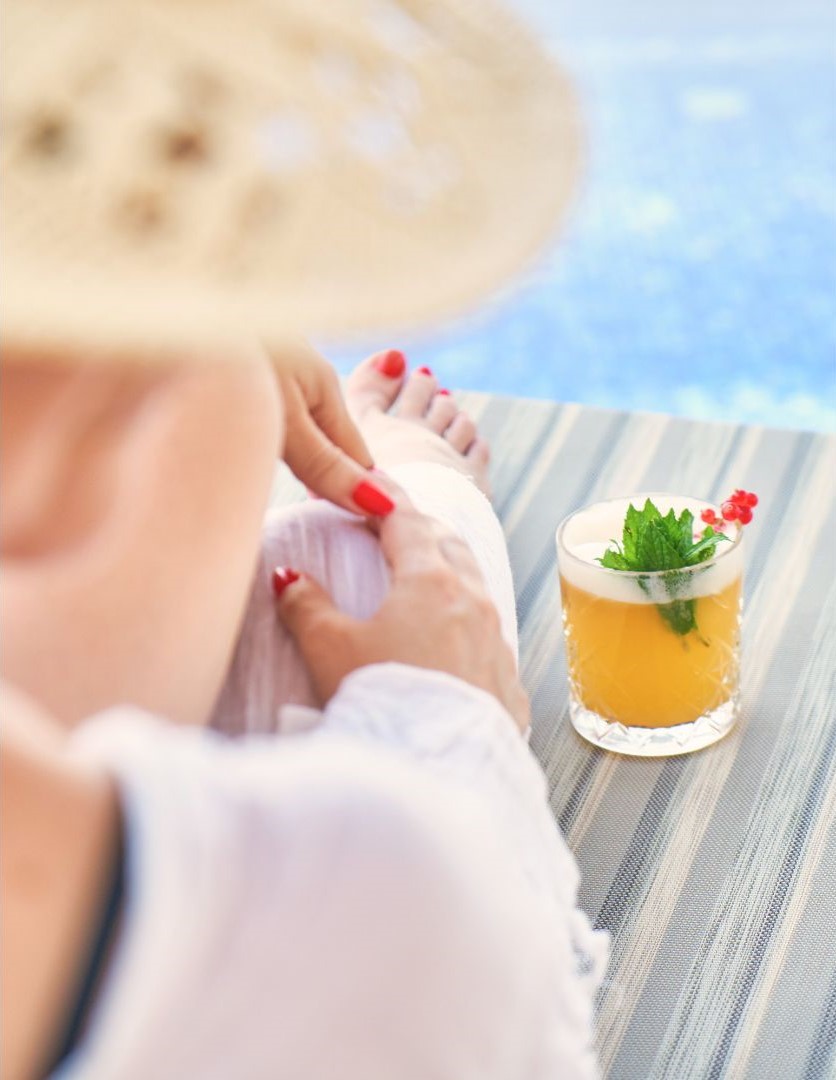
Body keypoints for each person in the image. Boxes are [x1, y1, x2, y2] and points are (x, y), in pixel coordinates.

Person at [1, 343, 608, 1080]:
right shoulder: (381, 875)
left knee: (242, 426)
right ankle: (424, 495)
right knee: (349, 566)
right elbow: (503, 1003)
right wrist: (449, 718)